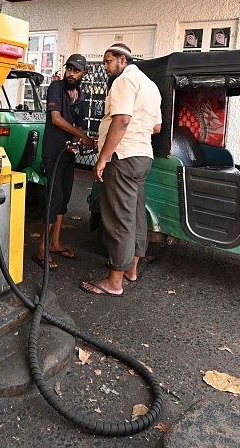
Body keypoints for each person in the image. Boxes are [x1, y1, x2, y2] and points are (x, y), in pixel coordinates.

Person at [81, 43, 161, 297]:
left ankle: (114, 281)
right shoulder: (151, 85)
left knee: (118, 220)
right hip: (142, 156)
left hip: (123, 157)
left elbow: (123, 119)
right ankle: (131, 269)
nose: (105, 67)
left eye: (108, 62)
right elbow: (156, 128)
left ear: (122, 60)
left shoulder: (124, 81)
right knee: (135, 215)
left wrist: (103, 157)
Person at [34, 54, 93, 271]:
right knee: (54, 196)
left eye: (76, 70)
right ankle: (42, 249)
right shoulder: (55, 88)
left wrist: (77, 141)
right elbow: (56, 118)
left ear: (83, 73)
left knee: (65, 197)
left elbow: (79, 123)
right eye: (69, 69)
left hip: (68, 153)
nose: (71, 73)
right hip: (53, 151)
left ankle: (55, 243)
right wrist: (82, 136)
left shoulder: (81, 95)